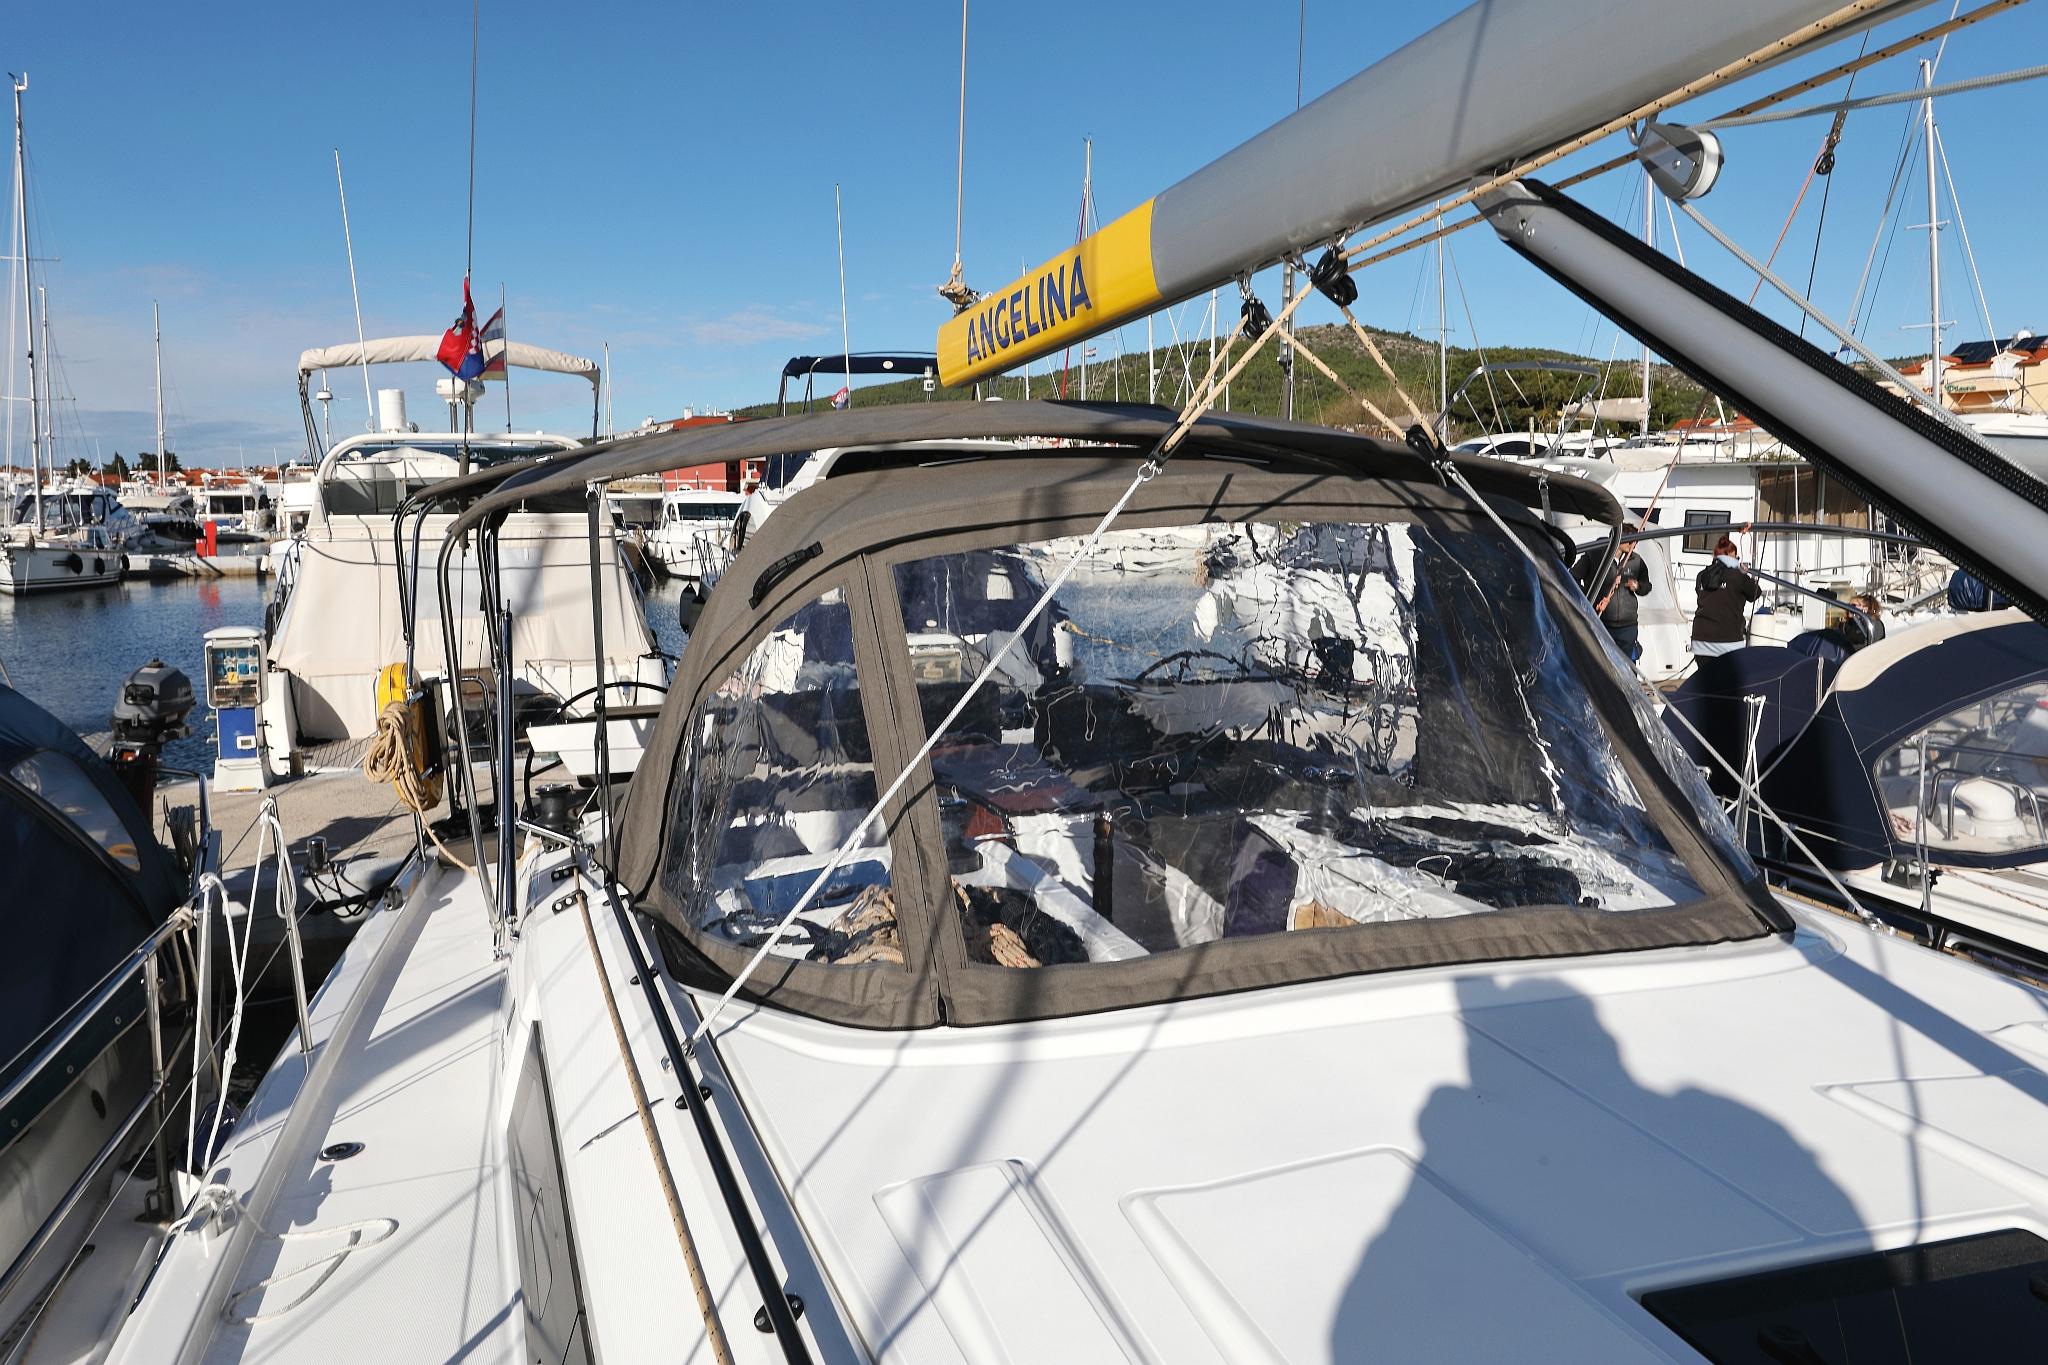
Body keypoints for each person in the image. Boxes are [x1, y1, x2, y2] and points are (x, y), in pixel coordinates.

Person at [1689, 534, 1760, 658]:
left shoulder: (1701, 576)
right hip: (1728, 642)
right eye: (1737, 557)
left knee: (1708, 671)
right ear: (1732, 555)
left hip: (1700, 641)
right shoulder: (1738, 576)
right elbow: (1755, 593)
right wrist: (1745, 574)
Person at [1596, 545, 1651, 661]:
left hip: (1627, 625)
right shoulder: (1597, 556)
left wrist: (1638, 586)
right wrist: (1587, 600)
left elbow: (1647, 585)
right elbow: (1575, 577)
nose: (1633, 544)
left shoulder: (1636, 560)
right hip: (1602, 623)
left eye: (1635, 541)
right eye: (1630, 540)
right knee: (1602, 661)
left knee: (1627, 664)